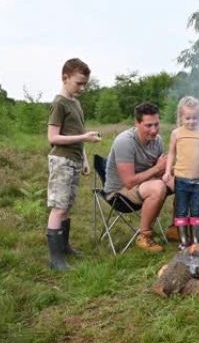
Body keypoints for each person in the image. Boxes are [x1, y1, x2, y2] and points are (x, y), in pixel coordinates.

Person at [46, 58, 101, 271]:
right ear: (65, 78)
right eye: (79, 83)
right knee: (59, 208)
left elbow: (77, 135)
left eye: (85, 83)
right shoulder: (59, 103)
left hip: (75, 160)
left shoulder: (76, 103)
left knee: (67, 206)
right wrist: (85, 138)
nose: (83, 87)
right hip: (61, 160)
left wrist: (84, 158)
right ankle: (56, 259)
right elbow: (52, 137)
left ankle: (65, 246)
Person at [104, 102, 171, 253]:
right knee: (158, 187)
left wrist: (168, 169)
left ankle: (176, 227)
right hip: (119, 192)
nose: (154, 131)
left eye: (156, 124)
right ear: (137, 123)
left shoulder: (157, 140)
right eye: (148, 125)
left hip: (144, 185)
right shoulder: (125, 141)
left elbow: (159, 172)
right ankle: (144, 236)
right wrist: (157, 168)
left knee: (180, 179)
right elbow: (128, 182)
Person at [163, 96, 199, 249]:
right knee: (181, 209)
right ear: (181, 117)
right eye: (187, 118)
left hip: (198, 179)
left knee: (196, 209)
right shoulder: (176, 133)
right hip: (181, 178)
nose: (191, 121)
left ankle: (195, 239)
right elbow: (171, 153)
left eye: (194, 118)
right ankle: (184, 240)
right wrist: (167, 171)